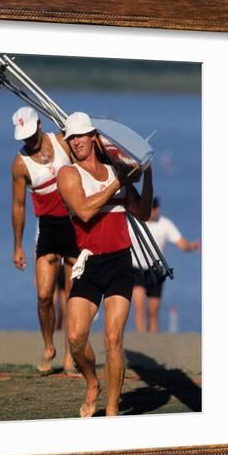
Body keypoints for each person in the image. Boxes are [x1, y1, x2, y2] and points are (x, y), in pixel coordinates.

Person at [57, 112, 153, 417]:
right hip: (89, 264)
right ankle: (91, 383)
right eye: (71, 137)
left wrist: (147, 174)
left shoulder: (116, 169)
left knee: (113, 339)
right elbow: (84, 212)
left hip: (120, 262)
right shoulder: (69, 175)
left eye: (81, 135)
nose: (76, 142)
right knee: (75, 338)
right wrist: (118, 184)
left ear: (93, 137)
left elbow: (142, 212)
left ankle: (111, 413)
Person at [11, 106, 78, 374]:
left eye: (31, 133)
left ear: (39, 124)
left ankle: (71, 355)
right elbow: (18, 206)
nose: (29, 140)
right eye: (23, 137)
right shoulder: (20, 164)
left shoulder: (62, 142)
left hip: (74, 226)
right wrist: (17, 245)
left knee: (74, 297)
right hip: (47, 229)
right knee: (43, 296)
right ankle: (49, 346)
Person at [130, 196, 200, 333]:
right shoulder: (134, 223)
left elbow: (180, 242)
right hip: (136, 268)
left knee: (153, 310)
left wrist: (191, 246)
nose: (158, 211)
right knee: (139, 306)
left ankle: (153, 340)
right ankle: (141, 339)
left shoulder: (165, 224)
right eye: (154, 208)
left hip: (157, 270)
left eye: (157, 207)